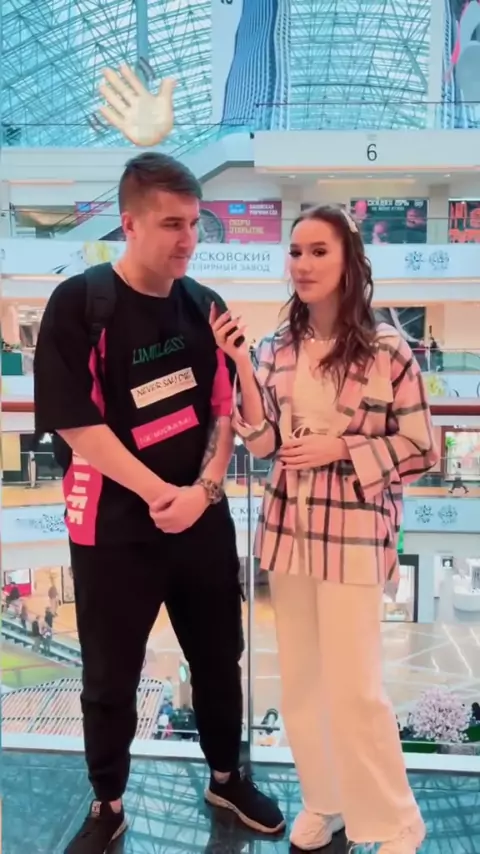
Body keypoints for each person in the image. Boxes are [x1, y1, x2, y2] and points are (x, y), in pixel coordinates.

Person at [33, 151, 284, 854]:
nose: (188, 240)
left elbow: (223, 412)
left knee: (219, 657)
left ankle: (226, 777)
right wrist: (156, 493)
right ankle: (108, 802)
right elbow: (76, 423)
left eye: (195, 224)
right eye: (173, 224)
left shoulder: (205, 304)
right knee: (110, 675)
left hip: (200, 521)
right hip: (113, 528)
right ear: (130, 224)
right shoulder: (81, 305)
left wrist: (202, 491)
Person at [211, 204, 438, 853]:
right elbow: (262, 443)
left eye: (318, 252)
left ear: (348, 263)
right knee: (303, 685)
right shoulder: (274, 348)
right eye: (296, 252)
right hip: (289, 531)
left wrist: (343, 448)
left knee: (356, 688)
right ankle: (325, 801)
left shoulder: (387, 349)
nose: (303, 264)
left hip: (355, 535)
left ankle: (397, 821)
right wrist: (240, 365)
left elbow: (422, 446)